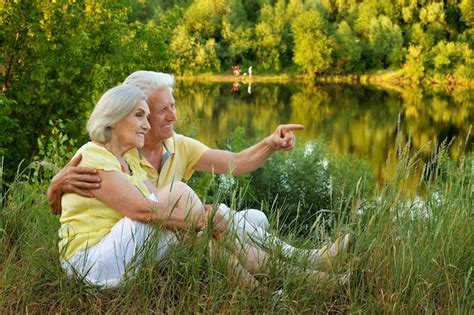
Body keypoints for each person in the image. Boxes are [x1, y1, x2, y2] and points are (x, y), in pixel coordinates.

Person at [51, 71, 354, 287]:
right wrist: (55, 186)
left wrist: (270, 143)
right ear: (121, 115)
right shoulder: (107, 154)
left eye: (172, 106)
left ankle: (280, 281)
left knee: (231, 222)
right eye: (156, 111)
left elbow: (236, 162)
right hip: (102, 256)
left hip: (139, 239)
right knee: (190, 206)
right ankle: (298, 273)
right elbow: (139, 208)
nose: (172, 116)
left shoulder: (172, 147)